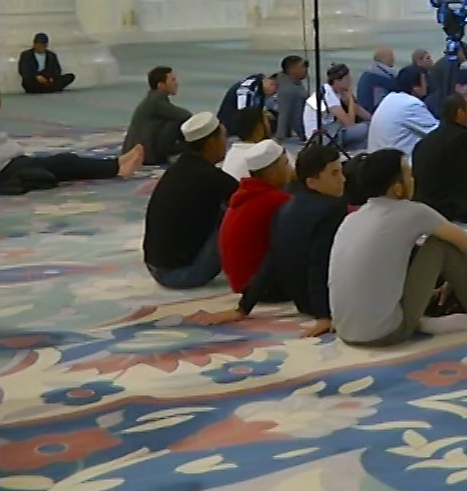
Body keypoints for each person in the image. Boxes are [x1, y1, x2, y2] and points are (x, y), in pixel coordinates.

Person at [328, 149, 467, 347]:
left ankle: (422, 321)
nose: (414, 180)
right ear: (397, 189)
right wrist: (452, 283)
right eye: (410, 175)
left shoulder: (352, 219)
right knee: (441, 244)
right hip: (388, 333)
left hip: (345, 332)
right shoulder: (414, 211)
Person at [192, 144, 351, 337]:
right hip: (325, 302)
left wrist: (243, 308)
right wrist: (324, 315)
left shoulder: (288, 206)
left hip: (301, 300)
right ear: (312, 182)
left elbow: (272, 258)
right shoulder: (332, 209)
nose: (343, 179)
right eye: (334, 173)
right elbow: (319, 263)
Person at [142, 113, 235, 289]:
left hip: (156, 267)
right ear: (211, 142)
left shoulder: (177, 169)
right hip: (184, 274)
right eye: (224, 137)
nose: (226, 143)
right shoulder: (212, 178)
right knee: (241, 213)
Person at [0, 92, 144, 191]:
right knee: (65, 162)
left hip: (12, 162)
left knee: (63, 163)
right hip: (7, 169)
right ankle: (116, 168)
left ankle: (117, 163)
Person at [216, 140, 293, 296]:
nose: (290, 170)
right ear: (272, 171)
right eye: (286, 164)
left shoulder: (244, 193)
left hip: (241, 281)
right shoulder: (275, 200)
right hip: (262, 288)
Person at [368, 66, 439, 156]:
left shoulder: (390, 98)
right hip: (396, 160)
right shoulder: (411, 104)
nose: (427, 85)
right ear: (415, 87)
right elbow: (436, 132)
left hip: (378, 156)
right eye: (425, 82)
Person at [305, 63, 371, 150]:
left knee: (369, 132)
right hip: (322, 137)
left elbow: (358, 110)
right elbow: (350, 124)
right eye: (347, 78)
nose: (350, 81)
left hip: (332, 131)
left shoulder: (337, 92)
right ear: (337, 80)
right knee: (366, 128)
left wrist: (374, 119)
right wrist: (350, 100)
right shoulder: (328, 94)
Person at [216, 70, 278, 140]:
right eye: (276, 90)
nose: (274, 93)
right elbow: (244, 114)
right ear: (272, 83)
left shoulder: (259, 89)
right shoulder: (246, 90)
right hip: (232, 132)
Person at [272, 56, 311, 143]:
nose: (306, 69)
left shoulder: (291, 80)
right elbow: (284, 114)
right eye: (303, 66)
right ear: (292, 70)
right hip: (305, 130)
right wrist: (280, 137)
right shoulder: (288, 90)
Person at [357, 48, 401, 113]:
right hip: (374, 113)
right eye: (391, 57)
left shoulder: (369, 72)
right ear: (384, 59)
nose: (393, 59)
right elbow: (399, 89)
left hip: (366, 110)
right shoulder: (382, 76)